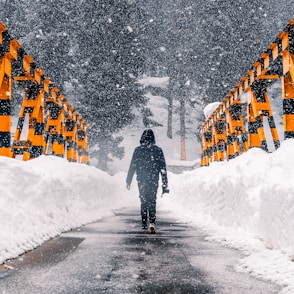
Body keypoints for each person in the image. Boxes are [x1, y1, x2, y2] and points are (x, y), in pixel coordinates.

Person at [126, 129, 168, 233]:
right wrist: (164, 184)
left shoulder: (138, 150)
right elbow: (163, 168)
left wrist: (128, 180)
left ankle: (144, 223)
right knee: (152, 199)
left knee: (143, 200)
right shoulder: (158, 150)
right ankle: (152, 222)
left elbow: (133, 166)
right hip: (153, 179)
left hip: (142, 179)